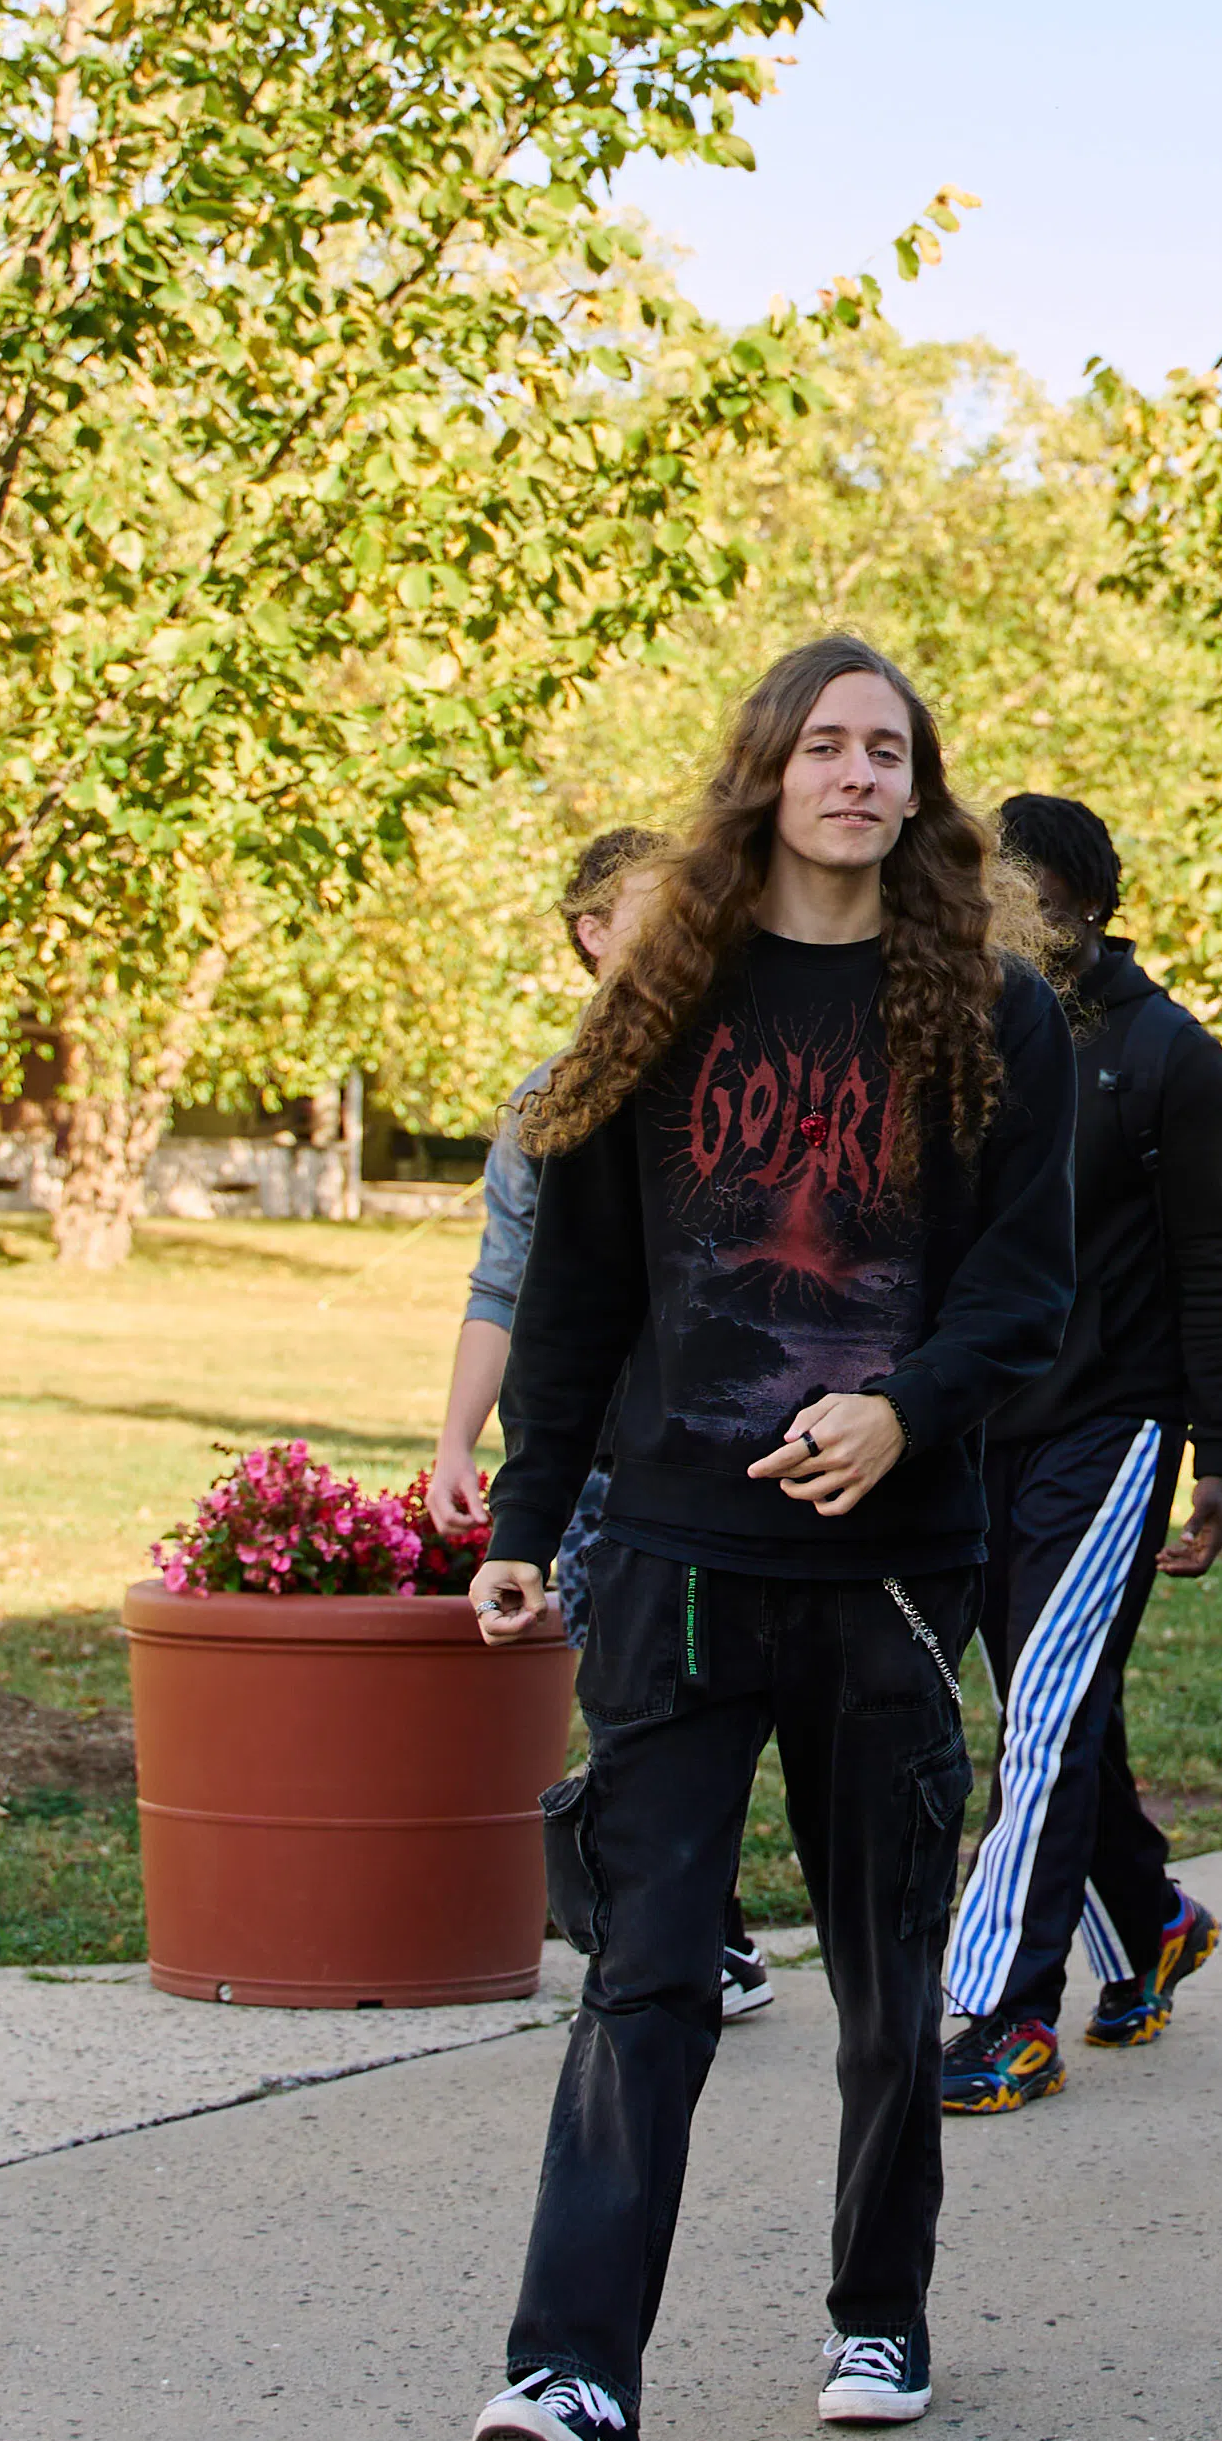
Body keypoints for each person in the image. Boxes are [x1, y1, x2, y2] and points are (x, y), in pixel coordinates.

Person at [463, 640, 1077, 2441]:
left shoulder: (987, 1012)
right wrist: (518, 1526)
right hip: (671, 1559)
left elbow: (1025, 1295)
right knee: (643, 1969)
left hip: (887, 1569)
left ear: (922, 788)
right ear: (765, 774)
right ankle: (571, 2374)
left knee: (890, 1977)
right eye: (824, 743)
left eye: (889, 748)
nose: (857, 773)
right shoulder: (657, 1004)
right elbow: (572, 1302)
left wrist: (899, 1412)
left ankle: (875, 2302)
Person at [933, 791, 1222, 2111]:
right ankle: (1151, 1918)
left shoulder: (1168, 1056)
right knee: (1055, 1705)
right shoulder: (961, 1033)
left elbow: (1212, 1263)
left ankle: (1003, 2011)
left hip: (1112, 1427)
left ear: (1085, 904)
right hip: (970, 1428)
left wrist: (1221, 1459)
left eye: (1034, 898)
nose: (1011, 920)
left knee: (1046, 1714)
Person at [428, 826, 771, 2028]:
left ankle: (688, 1931)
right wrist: (459, 1443)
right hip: (594, 1450)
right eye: (652, 906)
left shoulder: (743, 1067)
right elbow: (504, 1285)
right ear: (591, 933)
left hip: (717, 1443)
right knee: (631, 1691)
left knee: (690, 1687)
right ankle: (683, 1934)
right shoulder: (552, 1099)